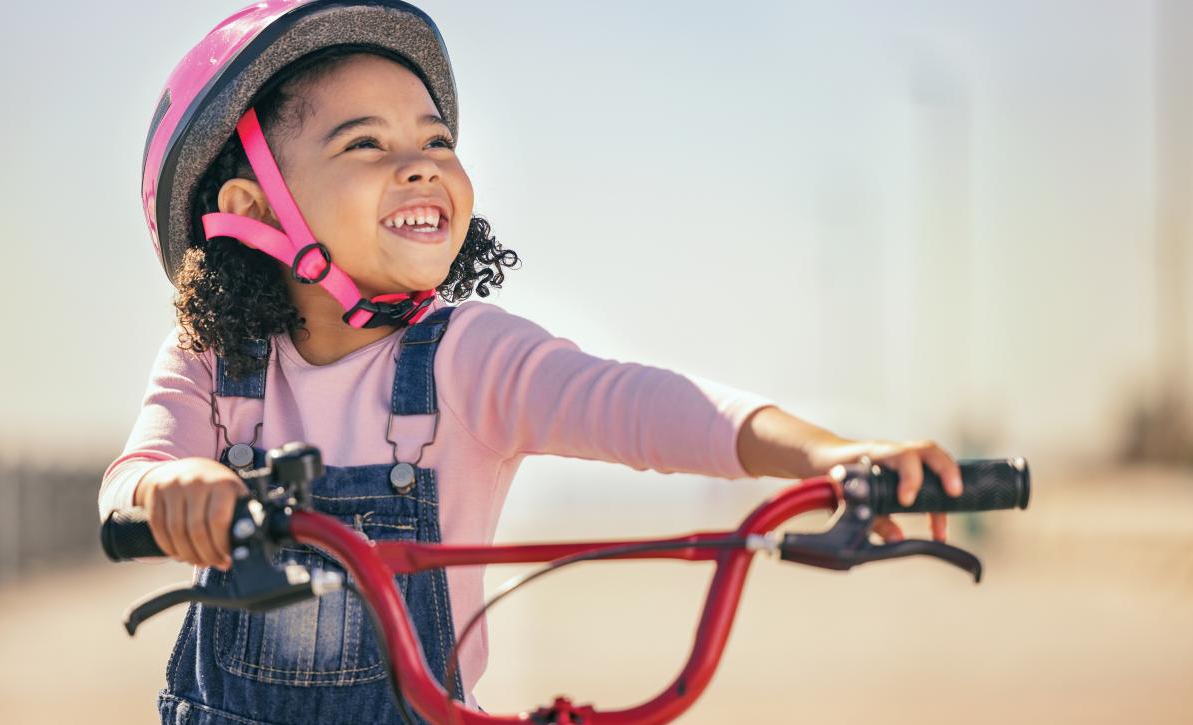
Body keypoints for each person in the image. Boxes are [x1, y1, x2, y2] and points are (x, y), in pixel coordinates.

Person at [99, 2, 966, 723]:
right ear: (252, 206)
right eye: (366, 145)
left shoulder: (465, 357)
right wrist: (168, 488)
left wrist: (824, 455)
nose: (420, 168)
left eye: (436, 143)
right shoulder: (214, 363)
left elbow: (641, 404)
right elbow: (134, 473)